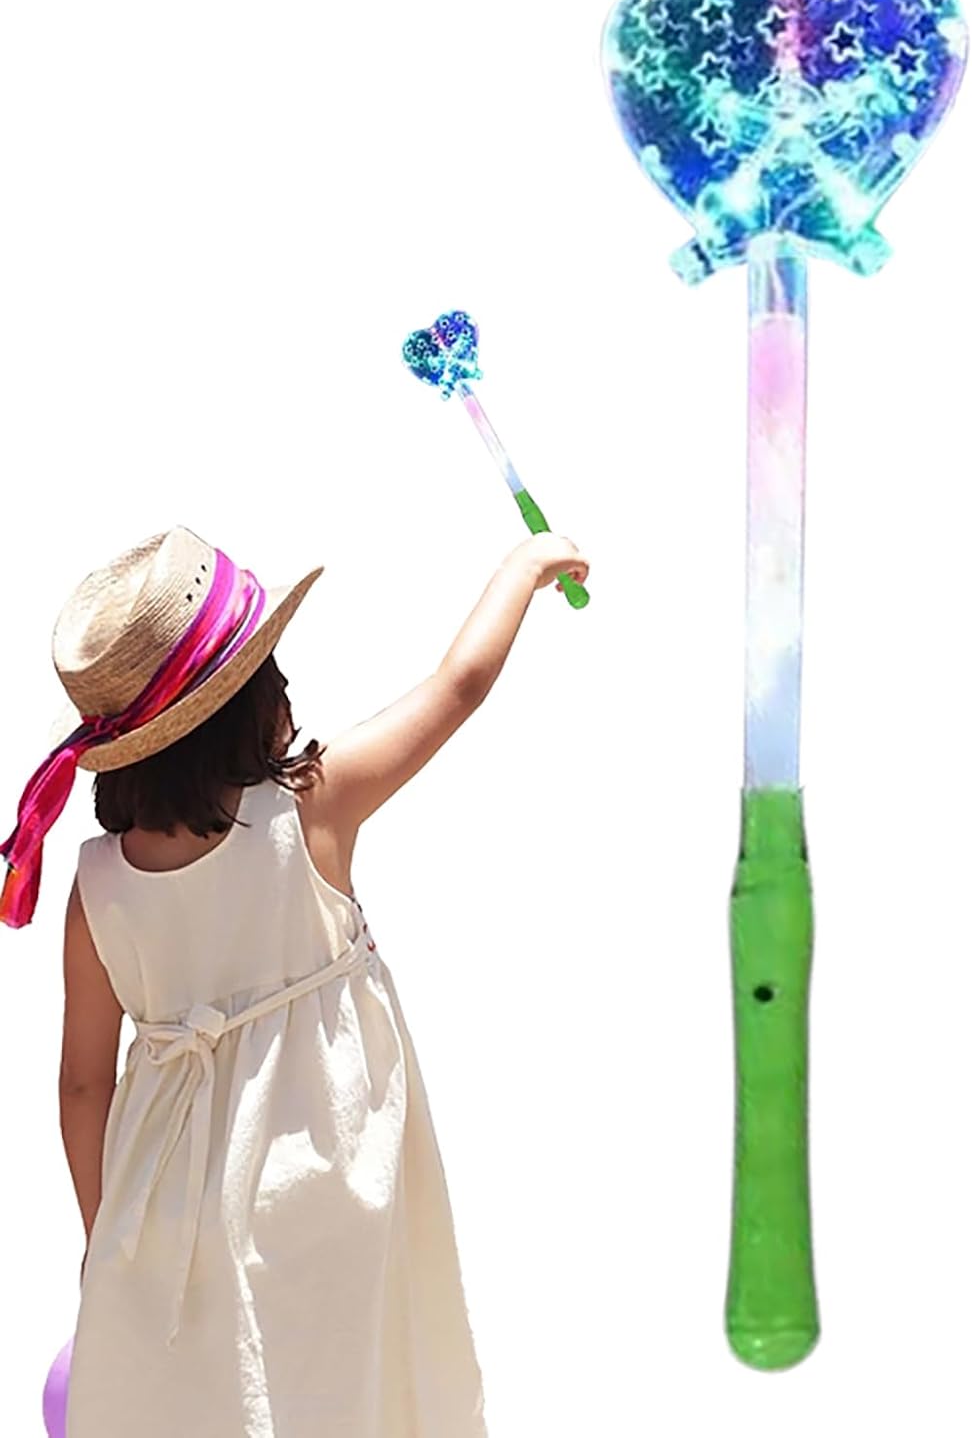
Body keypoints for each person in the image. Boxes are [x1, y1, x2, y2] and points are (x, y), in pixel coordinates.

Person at [0, 523, 588, 1438]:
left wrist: (104, 1234)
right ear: (243, 707)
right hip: (324, 1181)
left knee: (205, 1396)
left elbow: (83, 1084)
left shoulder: (98, 885)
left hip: (169, 1199)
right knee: (341, 1388)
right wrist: (526, 565)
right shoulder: (313, 804)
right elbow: (458, 685)